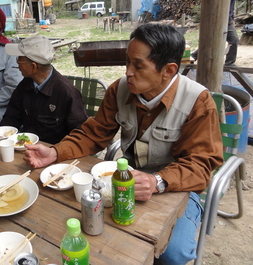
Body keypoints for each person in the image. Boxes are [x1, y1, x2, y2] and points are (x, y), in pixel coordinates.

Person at [24, 23, 223, 264]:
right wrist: (55, 152)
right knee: (78, 222)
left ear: (168, 70)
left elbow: (201, 166)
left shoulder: (197, 101)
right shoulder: (119, 90)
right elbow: (94, 134)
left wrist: (157, 181)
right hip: (123, 180)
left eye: (138, 66)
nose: (128, 71)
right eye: (127, 62)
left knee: (173, 254)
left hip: (176, 188)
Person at [1, 34, 88, 144]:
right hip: (25, 147)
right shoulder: (25, 85)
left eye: (20, 59)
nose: (17, 63)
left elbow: (80, 134)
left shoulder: (66, 93)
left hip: (54, 152)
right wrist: (5, 136)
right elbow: (11, 117)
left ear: (33, 66)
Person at [192, 0, 251, 65]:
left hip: (227, 19)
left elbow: (230, 6)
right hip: (218, 18)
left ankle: (195, 56)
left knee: (223, 40)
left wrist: (231, 20)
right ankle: (229, 63)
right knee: (223, 41)